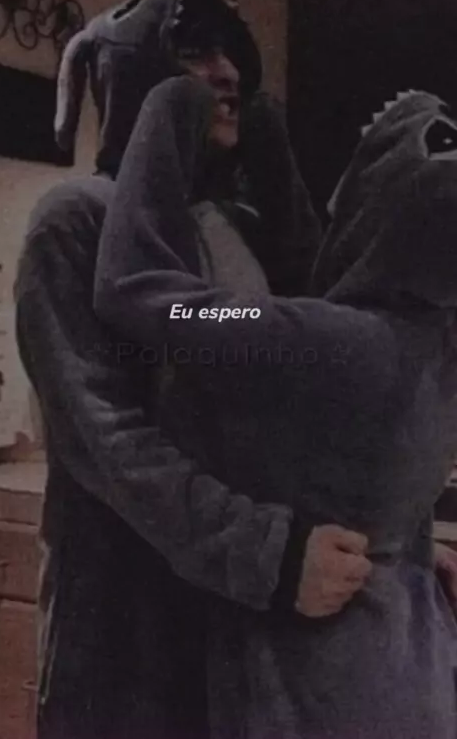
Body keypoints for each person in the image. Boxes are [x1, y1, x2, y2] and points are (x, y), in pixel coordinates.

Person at [14, 0, 371, 739]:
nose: (227, 72)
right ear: (137, 72)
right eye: (194, 51)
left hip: (239, 633)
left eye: (232, 53)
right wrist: (270, 556)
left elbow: (314, 381)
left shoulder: (236, 226)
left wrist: (391, 554)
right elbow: (107, 442)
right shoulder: (77, 220)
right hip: (122, 637)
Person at [95, 81, 457, 738]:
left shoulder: (330, 343)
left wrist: (170, 103)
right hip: (412, 669)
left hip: (318, 695)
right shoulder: (436, 342)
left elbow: (138, 289)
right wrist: (264, 134)